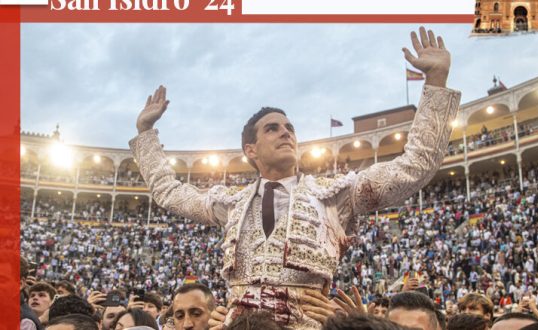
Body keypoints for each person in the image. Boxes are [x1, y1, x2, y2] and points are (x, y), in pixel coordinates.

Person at [130, 27, 461, 329]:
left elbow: (413, 167)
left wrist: (436, 83)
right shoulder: (230, 205)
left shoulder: (335, 196)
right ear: (251, 149)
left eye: (290, 128)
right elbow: (169, 193)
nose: (285, 133)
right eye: (272, 129)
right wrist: (146, 133)